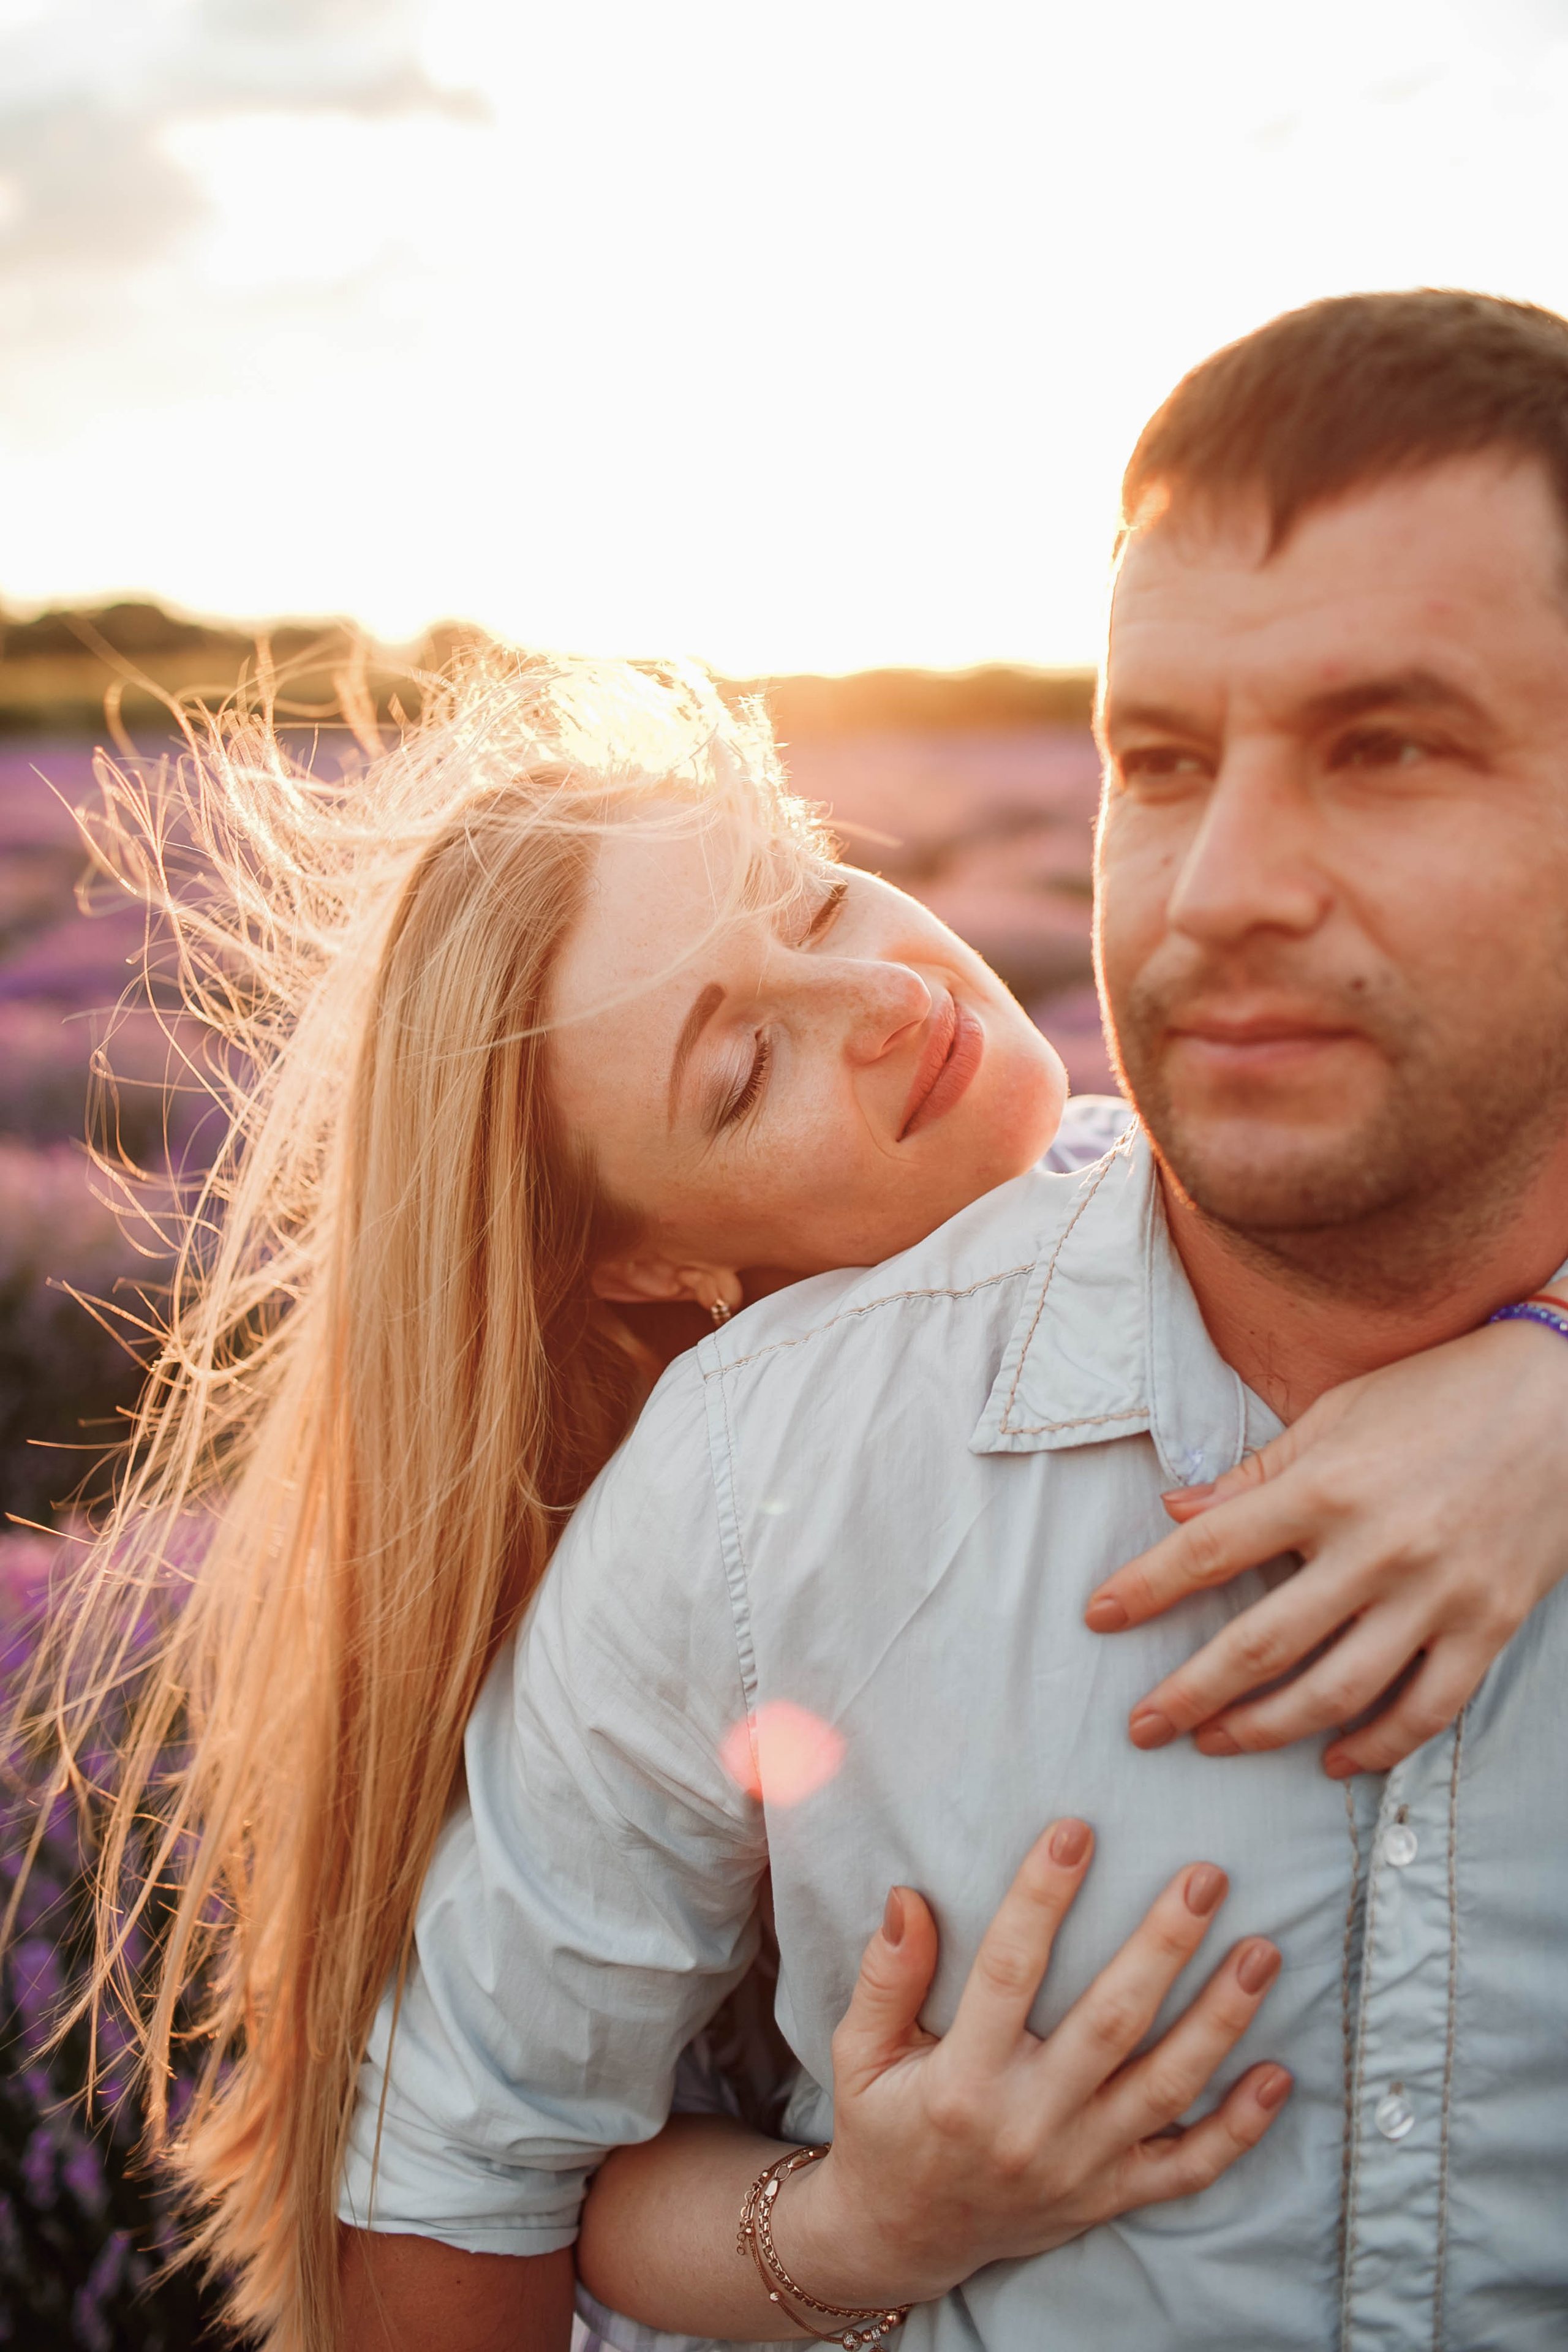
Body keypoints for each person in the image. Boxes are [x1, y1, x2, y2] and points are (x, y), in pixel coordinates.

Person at [21, 295, 1567, 2352]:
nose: (896, 998)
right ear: (655, 1274)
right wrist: (846, 2231)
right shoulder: (743, 1488)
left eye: (825, 887)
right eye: (738, 1078)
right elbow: (478, 2180)